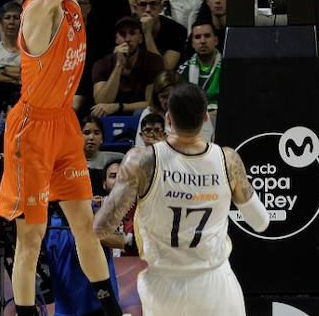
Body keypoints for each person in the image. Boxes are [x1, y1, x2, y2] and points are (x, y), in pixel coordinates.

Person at [0, 0, 123, 316]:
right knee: (30, 236)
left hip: (63, 124)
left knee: (84, 226)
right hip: (30, 127)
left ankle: (110, 309)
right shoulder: (36, 10)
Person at [94, 83, 268, 316]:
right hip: (217, 286)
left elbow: (101, 228)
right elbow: (261, 222)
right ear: (206, 117)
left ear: (168, 118)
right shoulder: (228, 160)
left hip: (163, 288)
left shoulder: (142, 161)